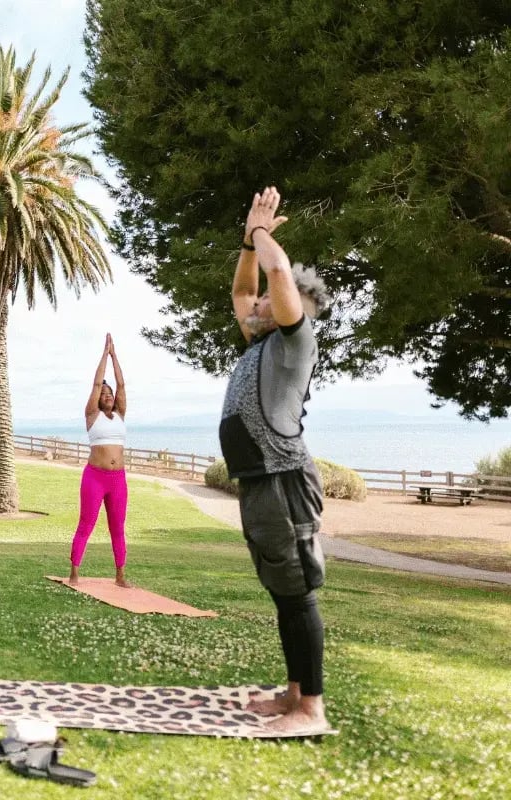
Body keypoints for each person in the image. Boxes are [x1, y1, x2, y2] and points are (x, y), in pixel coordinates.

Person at [220, 186, 333, 734]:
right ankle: (293, 696)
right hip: (259, 482)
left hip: (284, 482)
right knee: (282, 593)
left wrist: (263, 233)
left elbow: (278, 278)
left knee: (299, 593)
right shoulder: (258, 343)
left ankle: (310, 708)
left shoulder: (295, 343)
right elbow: (245, 289)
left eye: (269, 300)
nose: (258, 302)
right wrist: (247, 242)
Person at [68, 333, 130, 587]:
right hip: (95, 477)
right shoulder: (92, 415)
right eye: (103, 392)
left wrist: (116, 356)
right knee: (87, 524)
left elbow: (122, 385)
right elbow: (95, 385)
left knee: (117, 527)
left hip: (118, 480)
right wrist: (104, 354)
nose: (107, 394)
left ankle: (120, 576)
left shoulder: (120, 414)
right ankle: (74, 572)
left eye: (109, 392)